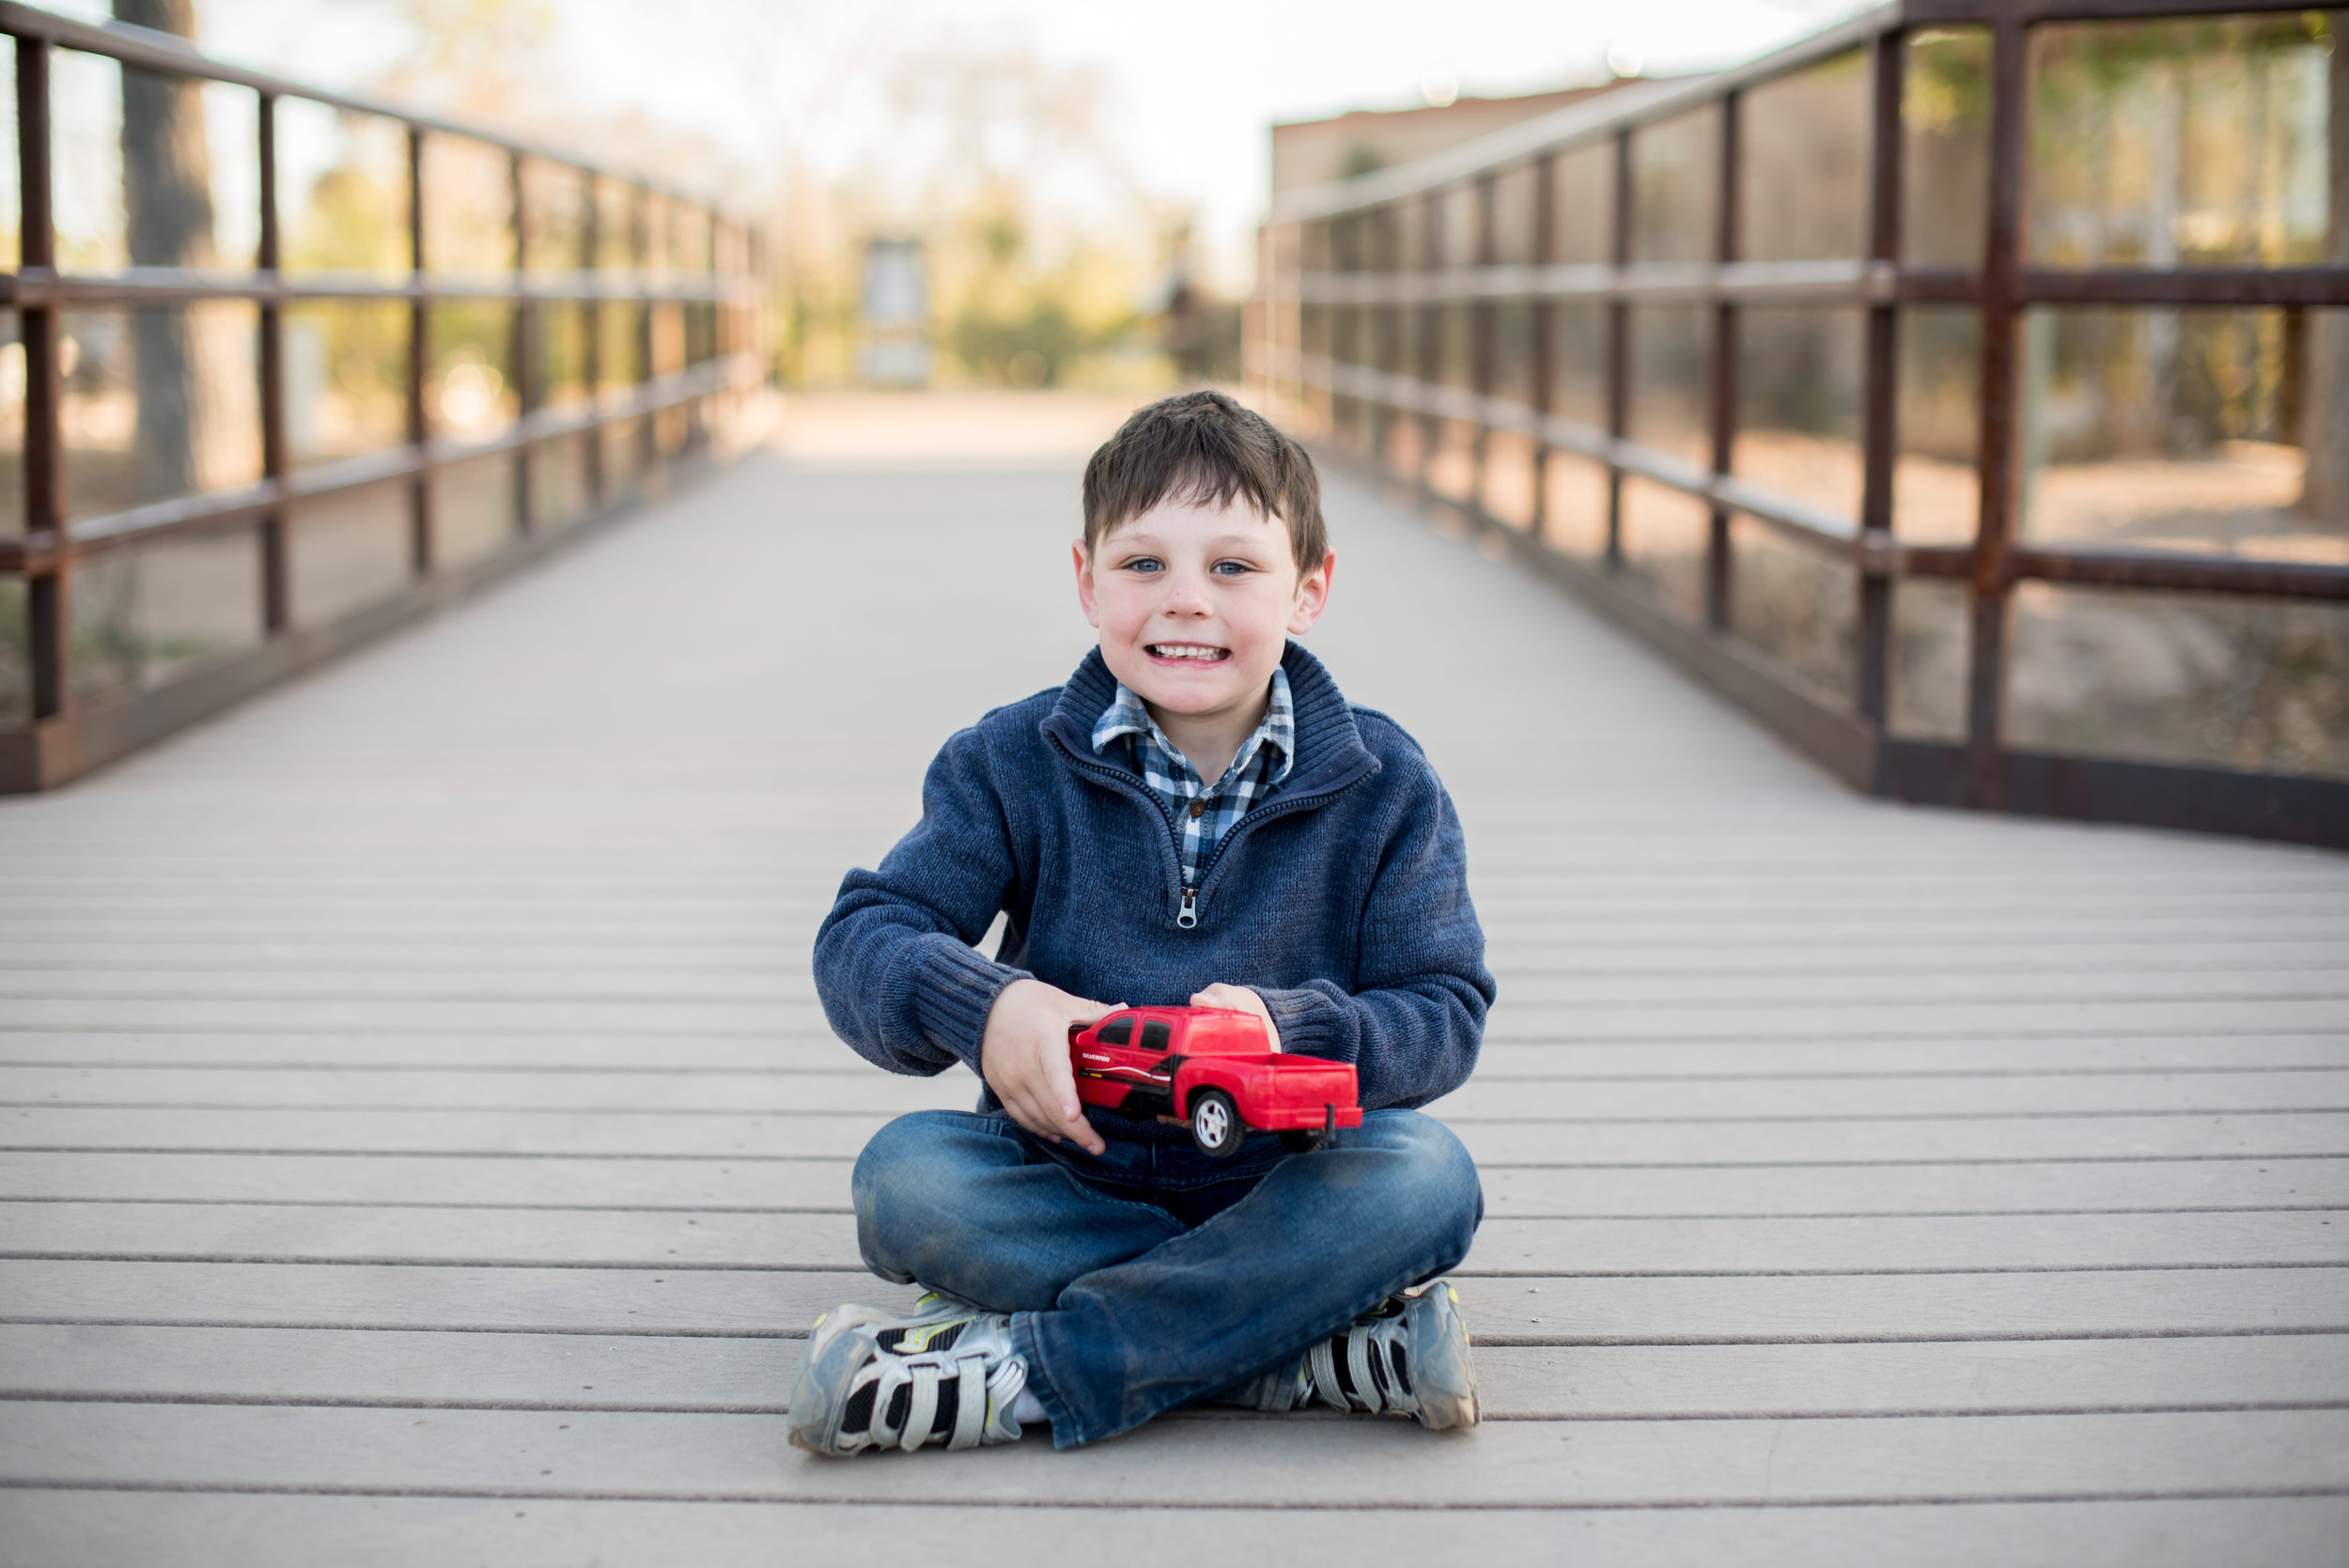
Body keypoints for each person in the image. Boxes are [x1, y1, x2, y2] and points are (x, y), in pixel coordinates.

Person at [792, 390, 1494, 1455]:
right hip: (1067, 1177)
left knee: (1427, 1177)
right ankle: (1294, 1345)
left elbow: (1442, 1010)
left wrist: (1292, 1028)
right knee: (904, 1181)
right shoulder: (1012, 760)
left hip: (1290, 1180)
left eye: (1232, 567)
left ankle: (1028, 1372)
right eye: (1142, 565)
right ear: (1085, 580)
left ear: (1310, 588)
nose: (1184, 602)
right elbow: (865, 932)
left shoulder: (1383, 783)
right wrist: (990, 1006)